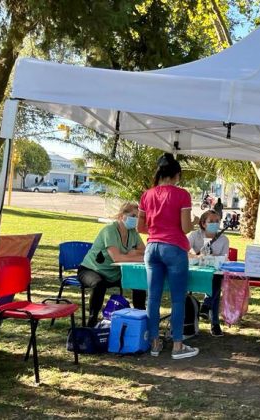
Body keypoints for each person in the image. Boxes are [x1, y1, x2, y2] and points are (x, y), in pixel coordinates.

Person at [138, 153, 199, 360]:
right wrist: (194, 222)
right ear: (177, 174)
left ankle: (154, 342)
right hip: (174, 247)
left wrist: (158, 228)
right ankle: (178, 345)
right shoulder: (182, 195)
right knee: (177, 299)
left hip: (152, 247)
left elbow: (140, 227)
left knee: (152, 298)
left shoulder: (146, 195)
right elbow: (185, 227)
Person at [79, 203, 147, 327]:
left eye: (138, 217)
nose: (136, 220)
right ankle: (91, 321)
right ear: (122, 216)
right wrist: (135, 256)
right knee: (99, 284)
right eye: (133, 216)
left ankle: (141, 317)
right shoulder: (109, 230)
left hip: (114, 273)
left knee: (138, 282)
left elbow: (145, 251)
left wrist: (134, 252)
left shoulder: (133, 232)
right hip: (91, 270)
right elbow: (117, 257)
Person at [187, 209, 228, 337]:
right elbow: (184, 251)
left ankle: (209, 312)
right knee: (213, 288)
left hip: (213, 271)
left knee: (216, 281)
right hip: (195, 271)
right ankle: (205, 315)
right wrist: (196, 256)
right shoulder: (194, 235)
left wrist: (214, 257)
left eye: (217, 221)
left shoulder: (224, 239)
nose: (215, 224)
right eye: (211, 221)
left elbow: (224, 259)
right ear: (203, 223)